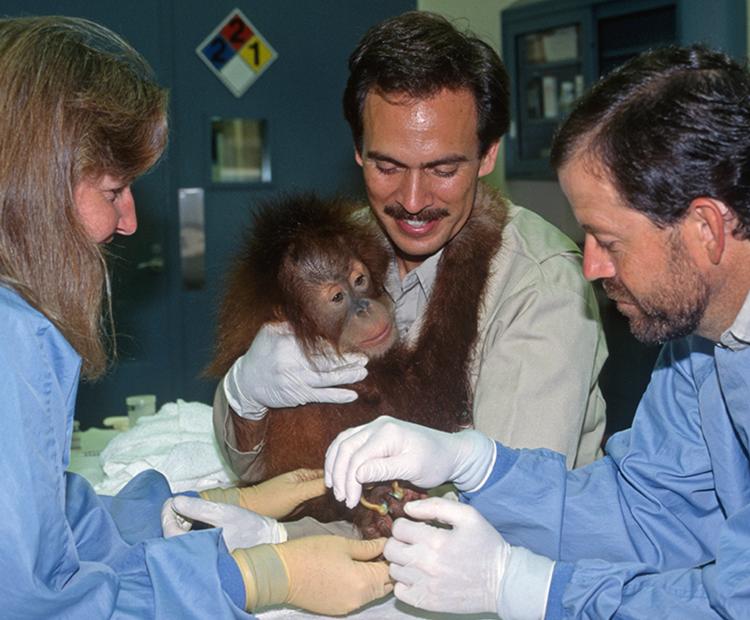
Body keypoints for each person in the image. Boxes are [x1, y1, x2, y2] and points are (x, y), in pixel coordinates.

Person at [324, 43, 750, 619]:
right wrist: (477, 464)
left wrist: (523, 586)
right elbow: (648, 511)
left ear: (705, 228)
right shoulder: (704, 344)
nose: (592, 268)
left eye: (609, 240)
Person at [0, 16, 390, 618]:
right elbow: (36, 602)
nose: (128, 222)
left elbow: (39, 525)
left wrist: (181, 509)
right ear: (35, 189)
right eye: (112, 192)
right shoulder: (11, 341)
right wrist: (255, 577)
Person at [209, 10, 606, 516]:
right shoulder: (335, 250)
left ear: (487, 156)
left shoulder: (541, 284)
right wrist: (246, 395)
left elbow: (510, 507)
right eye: (387, 166)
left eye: (442, 168)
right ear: (357, 152)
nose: (413, 200)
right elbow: (253, 465)